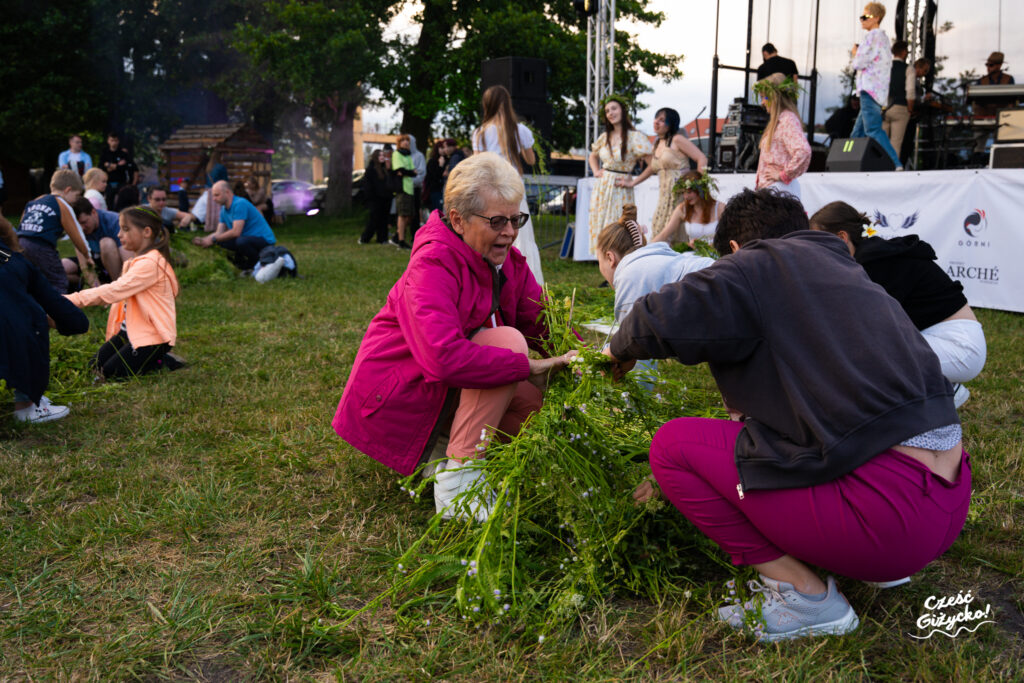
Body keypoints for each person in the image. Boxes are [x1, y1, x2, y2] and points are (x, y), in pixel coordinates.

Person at [604, 188, 968, 642]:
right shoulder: (846, 271)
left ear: (736, 251)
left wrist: (615, 349)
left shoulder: (757, 263)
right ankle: (868, 565)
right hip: (948, 503)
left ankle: (806, 599)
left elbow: (657, 316)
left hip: (888, 519)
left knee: (673, 448)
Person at [333, 152, 577, 521]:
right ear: (459, 220)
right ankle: (458, 480)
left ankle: (446, 453)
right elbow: (442, 358)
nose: (510, 232)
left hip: (443, 395)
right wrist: (526, 366)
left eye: (515, 219)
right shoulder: (432, 263)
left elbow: (544, 324)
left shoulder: (506, 260)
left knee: (532, 411)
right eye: (497, 221)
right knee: (509, 344)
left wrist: (591, 358)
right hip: (402, 400)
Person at [809, 201, 985, 407]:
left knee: (869, 350)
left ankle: (944, 392)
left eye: (818, 242)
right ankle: (936, 390)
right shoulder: (876, 254)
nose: (815, 251)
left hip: (960, 348)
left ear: (841, 237)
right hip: (948, 340)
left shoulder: (875, 263)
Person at [65, 207, 180, 379]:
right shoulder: (133, 262)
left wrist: (69, 300)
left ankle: (159, 359)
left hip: (153, 336)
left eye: (125, 229)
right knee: (94, 367)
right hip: (130, 332)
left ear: (146, 232)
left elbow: (113, 291)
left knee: (113, 373)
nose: (119, 235)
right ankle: (149, 358)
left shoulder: (150, 264)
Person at [1, 216, 89, 423]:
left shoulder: (8, 260)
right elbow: (51, 301)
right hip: (9, 337)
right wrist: (75, 323)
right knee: (30, 317)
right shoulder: (13, 261)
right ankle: (27, 405)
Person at [472, 85, 545, 285]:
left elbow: (478, 166)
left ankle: (492, 276)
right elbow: (530, 160)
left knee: (492, 230)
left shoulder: (480, 133)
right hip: (512, 186)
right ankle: (524, 281)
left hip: (489, 189)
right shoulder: (520, 130)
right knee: (519, 234)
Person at [615, 108, 707, 236]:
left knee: (676, 233)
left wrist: (698, 187)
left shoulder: (677, 139)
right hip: (664, 197)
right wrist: (632, 183)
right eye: (656, 118)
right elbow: (652, 167)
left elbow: (701, 158)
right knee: (660, 229)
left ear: (671, 123)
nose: (656, 122)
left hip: (681, 194)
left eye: (662, 120)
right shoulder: (657, 144)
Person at [588, 95, 653, 255]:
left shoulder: (634, 137)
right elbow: (592, 155)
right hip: (603, 187)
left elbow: (653, 164)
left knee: (618, 226)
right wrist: (596, 170)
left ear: (623, 111)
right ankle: (604, 262)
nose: (610, 113)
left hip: (620, 187)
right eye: (607, 111)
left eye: (614, 108)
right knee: (602, 224)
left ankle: (620, 262)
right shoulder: (604, 137)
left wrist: (633, 182)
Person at [16, 169, 96, 294]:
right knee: (58, 280)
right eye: (76, 195)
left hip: (21, 243)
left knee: (32, 277)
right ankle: (58, 310)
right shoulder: (62, 204)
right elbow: (77, 233)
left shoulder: (35, 201)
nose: (75, 200)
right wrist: (87, 255)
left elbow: (22, 223)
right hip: (42, 246)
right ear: (68, 190)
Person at [849, 4, 904, 170]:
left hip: (869, 89)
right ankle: (849, 162)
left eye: (865, 17)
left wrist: (854, 54)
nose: (862, 20)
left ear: (876, 18)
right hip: (876, 90)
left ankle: (895, 163)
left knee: (873, 129)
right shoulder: (883, 38)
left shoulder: (872, 36)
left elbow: (858, 63)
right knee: (857, 132)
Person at [192, 180, 277, 270]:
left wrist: (213, 239)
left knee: (240, 241)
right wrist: (204, 240)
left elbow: (236, 232)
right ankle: (242, 266)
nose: (214, 199)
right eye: (213, 195)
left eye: (217, 195)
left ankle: (257, 264)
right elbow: (218, 233)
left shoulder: (239, 204)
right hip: (248, 239)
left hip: (264, 240)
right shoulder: (224, 209)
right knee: (221, 242)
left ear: (227, 192)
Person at [753, 74, 812, 198]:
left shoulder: (787, 120)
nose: (762, 103)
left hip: (778, 192)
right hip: (773, 191)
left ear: (775, 97)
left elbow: (803, 151)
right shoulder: (779, 121)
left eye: (764, 97)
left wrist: (783, 175)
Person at [63, 198, 131, 288]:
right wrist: (97, 290)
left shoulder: (114, 222)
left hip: (114, 262)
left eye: (84, 222)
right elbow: (85, 266)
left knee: (106, 243)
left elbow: (129, 261)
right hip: (94, 260)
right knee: (61, 266)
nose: (82, 228)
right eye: (77, 225)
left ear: (94, 212)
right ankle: (92, 285)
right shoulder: (77, 230)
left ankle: (118, 287)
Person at [651, 171, 726, 245]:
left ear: (701, 190)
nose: (686, 197)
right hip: (693, 253)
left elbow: (730, 236)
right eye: (684, 192)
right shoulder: (682, 209)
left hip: (715, 253)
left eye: (689, 192)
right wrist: (645, 249)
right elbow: (664, 234)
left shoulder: (720, 208)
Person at [973, 51, 1016, 153]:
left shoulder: (1008, 79)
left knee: (1004, 145)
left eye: (991, 65)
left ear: (999, 66)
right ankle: (977, 160)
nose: (988, 68)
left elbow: (1013, 99)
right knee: (978, 144)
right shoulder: (981, 81)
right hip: (984, 117)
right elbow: (976, 101)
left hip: (1003, 118)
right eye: (987, 65)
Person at [883, 41, 917, 163]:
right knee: (896, 143)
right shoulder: (908, 69)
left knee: (882, 142)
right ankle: (893, 169)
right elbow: (910, 91)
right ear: (903, 52)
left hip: (883, 107)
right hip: (900, 107)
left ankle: (879, 168)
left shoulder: (885, 67)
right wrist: (910, 108)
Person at [358, 149, 394, 245]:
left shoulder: (385, 169)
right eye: (380, 155)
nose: (382, 157)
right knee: (374, 219)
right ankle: (365, 238)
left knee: (384, 219)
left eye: (383, 155)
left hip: (386, 198)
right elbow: (368, 185)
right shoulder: (371, 169)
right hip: (376, 199)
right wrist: (371, 197)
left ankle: (382, 238)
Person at [389, 134, 416, 250]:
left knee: (410, 216)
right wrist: (408, 172)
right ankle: (401, 241)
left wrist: (407, 172)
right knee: (402, 214)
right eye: (403, 141)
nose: (406, 143)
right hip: (402, 188)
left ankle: (396, 237)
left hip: (409, 188)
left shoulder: (408, 156)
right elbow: (400, 170)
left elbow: (413, 172)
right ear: (399, 143)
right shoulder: (397, 154)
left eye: (407, 141)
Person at [99, 133, 139, 207]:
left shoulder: (123, 153)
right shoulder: (104, 153)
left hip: (121, 182)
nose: (114, 142)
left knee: (122, 202)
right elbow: (101, 167)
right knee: (108, 203)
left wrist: (109, 165)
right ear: (108, 141)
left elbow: (128, 167)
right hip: (108, 183)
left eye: (115, 140)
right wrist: (117, 166)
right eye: (112, 140)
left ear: (118, 141)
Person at [423, 139, 451, 214]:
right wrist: (440, 166)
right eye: (441, 148)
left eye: (444, 148)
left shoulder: (448, 160)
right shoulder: (432, 161)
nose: (443, 150)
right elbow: (434, 176)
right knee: (437, 211)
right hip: (434, 190)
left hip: (444, 189)